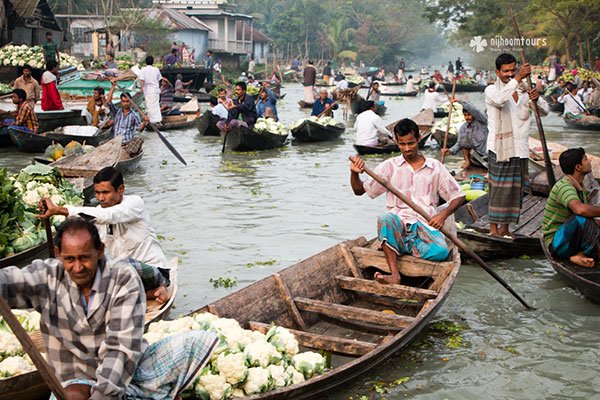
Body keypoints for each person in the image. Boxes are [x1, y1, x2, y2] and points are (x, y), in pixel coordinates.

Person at [0, 217, 218, 399]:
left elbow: (120, 348)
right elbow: (10, 282)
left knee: (196, 341)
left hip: (124, 371)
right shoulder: (47, 276)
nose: (77, 267)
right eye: (69, 259)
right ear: (58, 254)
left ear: (100, 251)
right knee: (74, 394)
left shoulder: (123, 279)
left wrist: (103, 394)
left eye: (85, 258)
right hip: (73, 378)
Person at [349, 119, 465, 284]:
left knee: (440, 252)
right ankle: (394, 275)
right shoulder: (388, 167)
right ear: (396, 142)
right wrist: (354, 174)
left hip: (423, 226)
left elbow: (459, 196)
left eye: (411, 143)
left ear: (419, 139)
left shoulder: (435, 167)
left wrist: (442, 215)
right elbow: (359, 191)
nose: (407, 148)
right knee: (385, 218)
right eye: (402, 144)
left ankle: (400, 246)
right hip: (398, 223)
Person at [37, 165, 171, 299]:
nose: (100, 198)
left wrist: (60, 210)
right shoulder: (97, 213)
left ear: (120, 190)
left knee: (123, 264)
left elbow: (109, 215)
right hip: (127, 277)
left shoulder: (135, 204)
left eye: (105, 192)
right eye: (97, 192)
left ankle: (157, 287)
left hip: (155, 272)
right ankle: (150, 294)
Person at [485, 53, 543, 237]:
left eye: (513, 70)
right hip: (500, 148)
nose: (510, 74)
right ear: (498, 72)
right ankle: (493, 229)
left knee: (515, 191)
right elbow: (500, 100)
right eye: (506, 71)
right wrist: (518, 78)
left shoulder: (525, 91)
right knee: (498, 190)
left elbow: (545, 111)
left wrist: (537, 98)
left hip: (521, 149)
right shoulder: (492, 90)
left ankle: (505, 229)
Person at [542, 148, 600, 268]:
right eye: (585, 159)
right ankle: (579, 254)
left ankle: (577, 255)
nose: (589, 160)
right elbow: (580, 210)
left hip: (568, 239)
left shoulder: (579, 187)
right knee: (582, 217)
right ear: (578, 167)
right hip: (556, 243)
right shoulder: (564, 187)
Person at [106, 78, 148, 152]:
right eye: (123, 101)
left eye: (127, 101)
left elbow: (140, 129)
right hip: (116, 143)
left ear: (131, 102)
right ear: (121, 102)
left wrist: (144, 121)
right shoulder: (117, 112)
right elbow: (108, 102)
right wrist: (112, 87)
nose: (125, 103)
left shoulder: (134, 115)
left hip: (127, 144)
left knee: (139, 139)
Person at [443, 102, 489, 169]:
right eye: (465, 115)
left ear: (473, 115)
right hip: (476, 157)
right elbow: (459, 144)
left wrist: (459, 101)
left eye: (469, 115)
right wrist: (450, 151)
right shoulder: (463, 128)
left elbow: (475, 110)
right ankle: (467, 161)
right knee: (464, 142)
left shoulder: (482, 123)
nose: (467, 117)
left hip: (487, 156)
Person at [139, 55, 163, 124]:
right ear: (153, 62)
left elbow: (142, 81)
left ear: (146, 62)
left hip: (148, 91)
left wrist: (141, 88)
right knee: (156, 106)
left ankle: (152, 122)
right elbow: (160, 79)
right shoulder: (156, 70)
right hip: (155, 90)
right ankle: (157, 121)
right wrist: (159, 87)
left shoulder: (143, 70)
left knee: (149, 107)